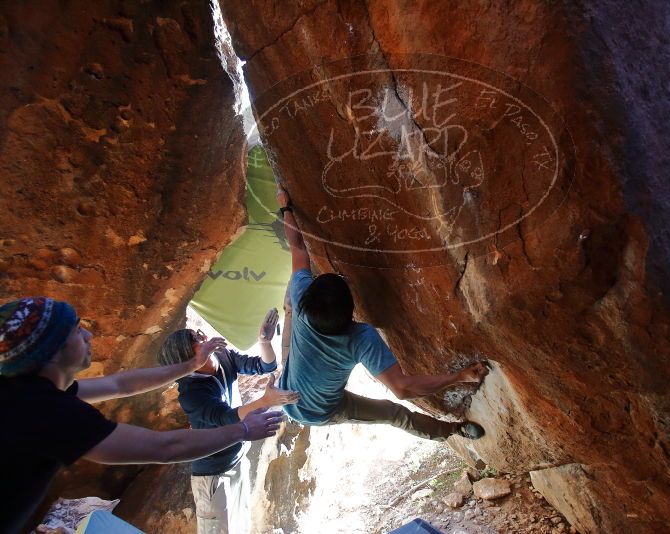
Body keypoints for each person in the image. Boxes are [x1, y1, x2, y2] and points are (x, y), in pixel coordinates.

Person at [0, 297, 285, 533]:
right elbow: (164, 448)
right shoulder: (46, 411)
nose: (88, 334)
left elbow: (120, 384)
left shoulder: (25, 390)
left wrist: (189, 366)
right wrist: (244, 430)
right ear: (51, 352)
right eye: (75, 330)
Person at [275, 185, 489, 440]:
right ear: (352, 313)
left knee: (289, 323)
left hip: (286, 391)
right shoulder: (359, 338)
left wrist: (286, 207)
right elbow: (401, 388)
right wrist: (459, 376)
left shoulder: (301, 299)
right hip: (318, 411)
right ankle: (452, 430)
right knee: (392, 413)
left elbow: (297, 247)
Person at [157, 308, 299, 534]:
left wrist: (264, 342)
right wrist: (265, 400)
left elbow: (264, 366)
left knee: (241, 526)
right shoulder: (191, 393)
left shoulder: (222, 357)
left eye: (198, 333)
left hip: (237, 459)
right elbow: (226, 418)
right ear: (187, 360)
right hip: (213, 476)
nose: (204, 338)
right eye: (196, 340)